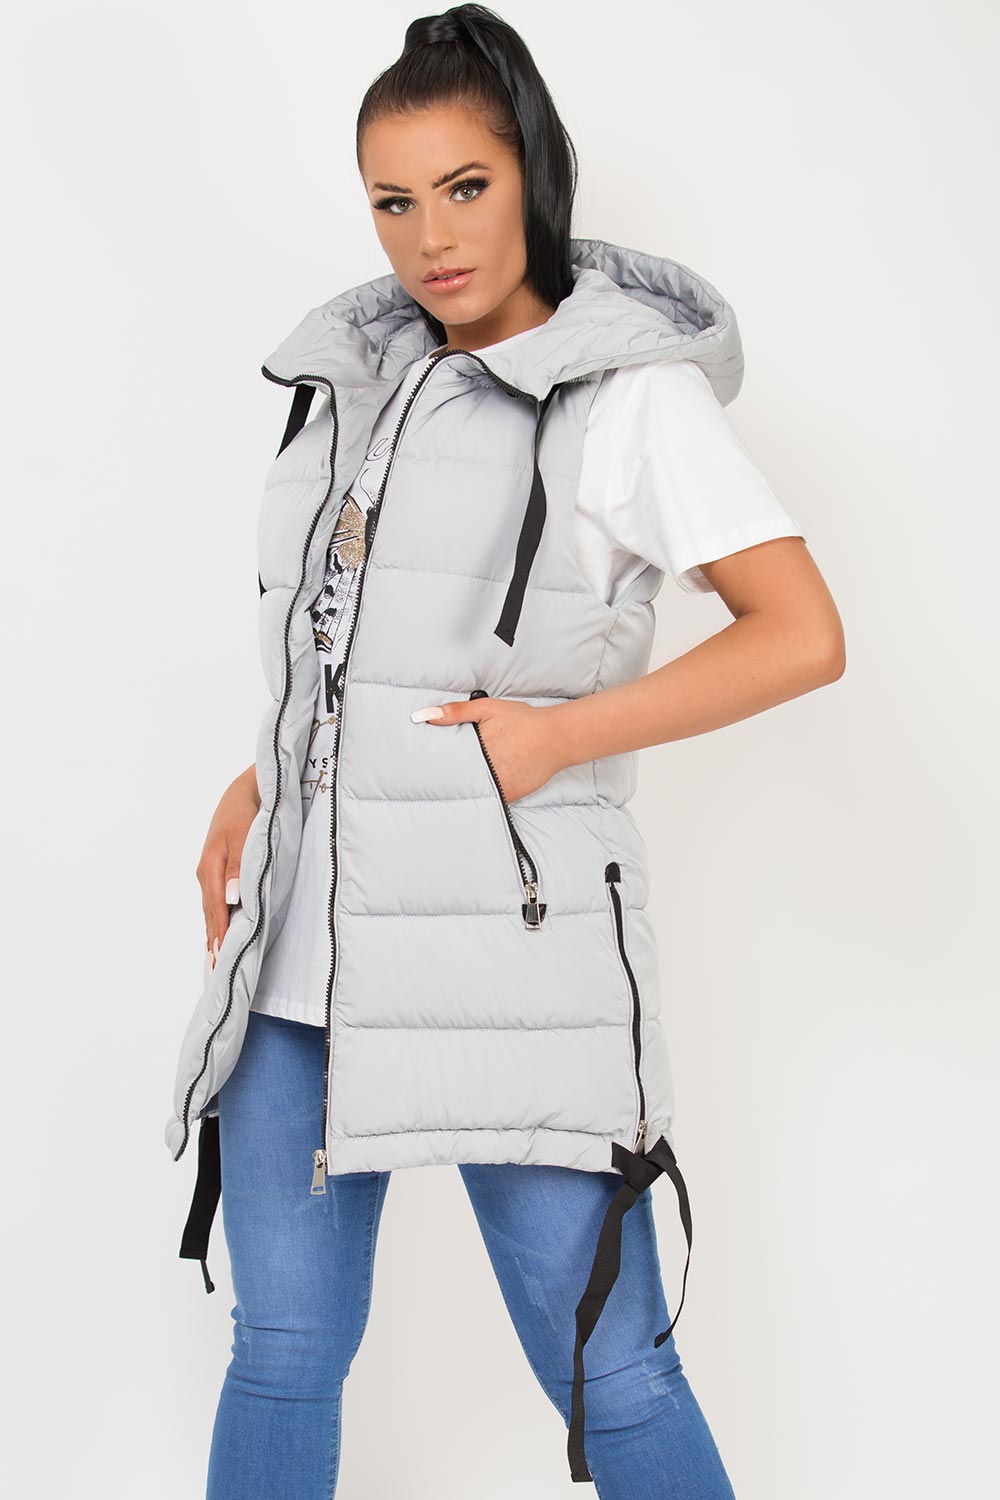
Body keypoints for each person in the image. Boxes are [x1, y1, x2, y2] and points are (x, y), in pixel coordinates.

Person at [167, 7, 845, 1497]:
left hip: (509, 960)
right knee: (280, 1353)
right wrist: (267, 775)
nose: (431, 237)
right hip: (300, 955)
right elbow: (353, 637)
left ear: (532, 171)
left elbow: (800, 632)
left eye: (464, 186)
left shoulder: (628, 393)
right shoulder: (362, 380)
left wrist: (561, 739)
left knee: (613, 1368)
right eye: (392, 201)